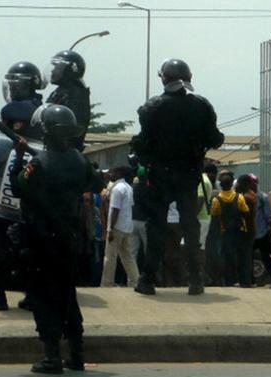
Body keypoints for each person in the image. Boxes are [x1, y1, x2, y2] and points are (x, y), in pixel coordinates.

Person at [9, 104, 103, 374]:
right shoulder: (79, 161)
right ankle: (76, 354)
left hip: (41, 240)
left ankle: (52, 356)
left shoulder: (38, 163)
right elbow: (96, 184)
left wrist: (18, 156)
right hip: (70, 239)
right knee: (67, 296)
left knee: (43, 297)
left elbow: (18, 187)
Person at [131, 58, 224, 296]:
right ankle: (195, 280)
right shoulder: (201, 106)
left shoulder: (151, 108)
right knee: (191, 228)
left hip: (160, 176)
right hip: (188, 175)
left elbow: (142, 145)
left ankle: (148, 280)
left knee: (156, 229)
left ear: (164, 78)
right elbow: (215, 138)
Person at [0, 61, 45, 311]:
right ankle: (32, 294)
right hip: (35, 185)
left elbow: (1, 149)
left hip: (11, 178)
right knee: (31, 242)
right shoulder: (44, 108)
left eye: (18, 84)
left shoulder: (15, 110)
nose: (13, 89)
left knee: (2, 240)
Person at [100, 166, 139, 288]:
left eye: (112, 172)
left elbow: (115, 210)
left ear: (118, 173)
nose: (110, 174)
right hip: (127, 227)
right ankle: (135, 281)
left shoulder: (117, 189)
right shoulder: (128, 187)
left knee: (110, 256)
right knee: (127, 256)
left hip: (116, 227)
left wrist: (110, 229)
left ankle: (107, 283)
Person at [208, 170, 249, 286]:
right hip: (238, 231)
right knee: (236, 256)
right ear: (232, 184)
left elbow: (214, 217)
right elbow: (246, 213)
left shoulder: (216, 200)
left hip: (223, 232)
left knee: (223, 256)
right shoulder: (239, 197)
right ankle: (235, 280)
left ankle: (225, 280)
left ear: (221, 185)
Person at [46, 50, 90, 151]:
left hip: (64, 150)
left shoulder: (76, 95)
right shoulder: (60, 91)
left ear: (70, 70)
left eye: (58, 67)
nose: (53, 70)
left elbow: (71, 129)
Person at [251, 175, 271, 288]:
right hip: (251, 234)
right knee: (249, 258)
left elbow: (268, 217)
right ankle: (250, 281)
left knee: (266, 258)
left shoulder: (262, 197)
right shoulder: (245, 196)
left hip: (262, 233)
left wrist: (270, 232)